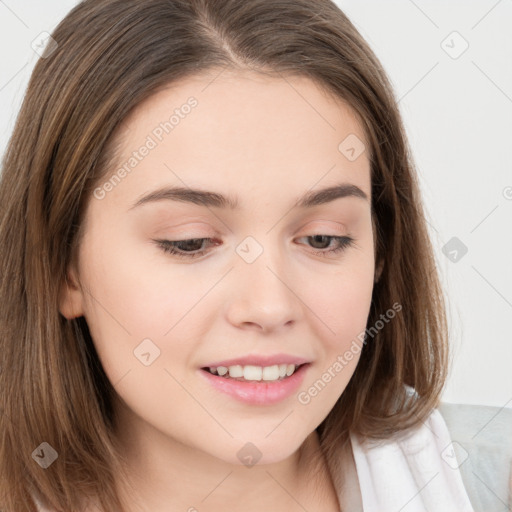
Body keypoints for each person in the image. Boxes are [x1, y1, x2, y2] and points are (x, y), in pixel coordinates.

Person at [0, 0, 475, 511]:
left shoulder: (489, 479)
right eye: (190, 242)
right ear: (62, 267)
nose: (270, 306)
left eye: (322, 238)